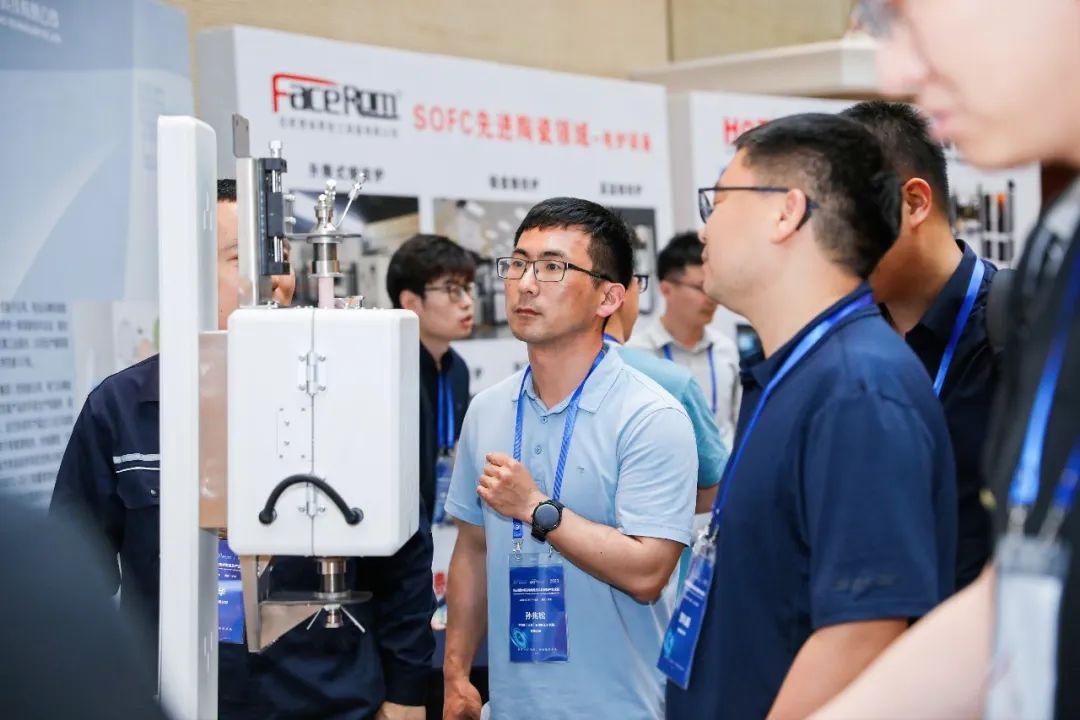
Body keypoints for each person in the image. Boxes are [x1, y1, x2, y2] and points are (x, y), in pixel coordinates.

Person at [50, 179, 434, 720]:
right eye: (245, 259)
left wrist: (407, 694)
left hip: (330, 699)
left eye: (282, 260)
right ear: (187, 272)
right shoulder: (120, 410)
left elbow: (405, 563)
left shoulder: (347, 395)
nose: (276, 279)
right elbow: (74, 574)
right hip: (183, 701)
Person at [815, 1, 1080, 717]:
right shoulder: (1059, 250)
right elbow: (1020, 584)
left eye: (906, 13)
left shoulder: (1006, 306)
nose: (896, 69)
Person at [662, 113, 957, 720]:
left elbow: (862, 635)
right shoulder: (801, 371)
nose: (705, 227)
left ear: (786, 212)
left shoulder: (858, 387)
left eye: (719, 201)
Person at [441, 197, 697, 720]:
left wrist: (536, 508)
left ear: (609, 296)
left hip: (622, 708)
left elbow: (648, 572)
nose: (526, 283)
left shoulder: (650, 416)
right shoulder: (488, 410)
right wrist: (456, 672)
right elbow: (472, 547)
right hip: (510, 708)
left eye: (553, 267)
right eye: (518, 263)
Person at [843, 100, 999, 591]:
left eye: (843, 217)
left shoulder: (1019, 328)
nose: (828, 244)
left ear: (913, 203)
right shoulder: (844, 342)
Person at [602, 265, 728, 514]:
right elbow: (715, 489)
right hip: (651, 533)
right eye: (638, 283)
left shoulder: (535, 377)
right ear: (617, 294)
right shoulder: (674, 383)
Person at [386, 234, 476, 525]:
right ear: (411, 302)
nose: (467, 303)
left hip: (430, 526)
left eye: (467, 289)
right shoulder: (388, 371)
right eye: (452, 290)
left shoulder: (457, 369)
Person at [627, 232, 741, 443]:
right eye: (700, 287)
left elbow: (738, 422)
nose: (711, 298)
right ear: (666, 289)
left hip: (726, 464)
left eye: (712, 286)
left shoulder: (726, 349)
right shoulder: (636, 354)